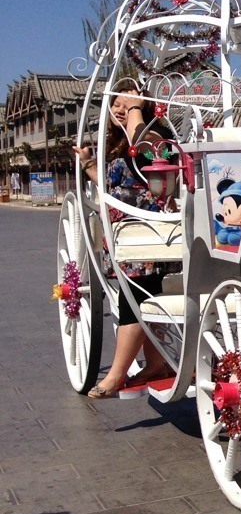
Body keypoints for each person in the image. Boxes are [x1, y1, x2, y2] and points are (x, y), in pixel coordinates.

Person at [73, 78, 176, 399]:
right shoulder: (117, 141)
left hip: (149, 234)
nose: (119, 110)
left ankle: (117, 374)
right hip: (124, 235)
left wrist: (135, 110)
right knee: (143, 296)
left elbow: (144, 149)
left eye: (125, 103)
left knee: (134, 298)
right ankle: (157, 362)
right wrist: (89, 163)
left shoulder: (155, 133)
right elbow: (112, 184)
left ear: (142, 103)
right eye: (115, 105)